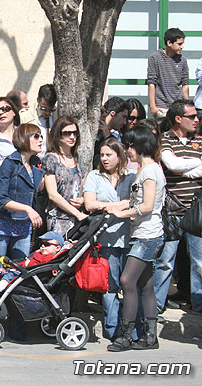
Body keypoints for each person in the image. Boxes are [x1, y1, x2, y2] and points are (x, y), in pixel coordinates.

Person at [106, 126, 165, 352]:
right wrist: (116, 206)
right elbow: (135, 201)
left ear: (140, 146)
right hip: (141, 233)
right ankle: (150, 337)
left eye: (130, 146)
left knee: (127, 281)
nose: (127, 150)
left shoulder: (150, 171)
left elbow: (147, 206)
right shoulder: (144, 169)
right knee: (145, 285)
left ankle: (126, 335)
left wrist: (122, 213)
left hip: (148, 236)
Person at [0, 124, 45, 291]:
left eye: (41, 136)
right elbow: (1, 198)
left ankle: (9, 305)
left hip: (23, 223)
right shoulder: (10, 162)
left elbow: (37, 191)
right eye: (36, 136)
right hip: (4, 219)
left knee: (19, 265)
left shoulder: (37, 164)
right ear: (23, 138)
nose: (41, 140)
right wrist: (28, 209)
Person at [84, 138, 136, 340]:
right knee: (110, 285)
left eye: (109, 155)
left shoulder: (131, 177)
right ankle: (112, 327)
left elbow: (137, 201)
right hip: (106, 239)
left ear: (119, 156)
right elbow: (89, 203)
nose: (105, 159)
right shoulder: (95, 176)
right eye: (102, 155)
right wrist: (114, 205)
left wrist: (122, 204)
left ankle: (132, 328)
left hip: (130, 237)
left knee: (130, 285)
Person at [155, 100, 202, 314]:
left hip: (197, 211)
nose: (196, 120)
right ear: (178, 119)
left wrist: (182, 168)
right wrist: (193, 166)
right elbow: (171, 165)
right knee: (165, 262)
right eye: (191, 116)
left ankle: (198, 306)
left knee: (199, 263)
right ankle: (156, 306)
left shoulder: (200, 140)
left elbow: (177, 166)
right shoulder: (164, 140)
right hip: (171, 210)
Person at [0, 232, 65, 301]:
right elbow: (24, 262)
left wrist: (27, 264)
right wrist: (13, 265)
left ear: (57, 248)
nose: (42, 246)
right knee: (4, 271)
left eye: (47, 244)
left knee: (12, 274)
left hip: (32, 277)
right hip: (25, 272)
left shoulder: (50, 259)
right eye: (41, 244)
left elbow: (38, 267)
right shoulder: (38, 254)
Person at [42, 116, 87, 236]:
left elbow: (84, 187)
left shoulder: (78, 159)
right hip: (59, 218)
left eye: (75, 133)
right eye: (67, 133)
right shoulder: (51, 159)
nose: (72, 137)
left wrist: (83, 200)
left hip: (78, 219)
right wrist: (77, 214)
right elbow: (52, 194)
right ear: (58, 134)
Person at [147, 27, 189, 117]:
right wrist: (153, 107)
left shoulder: (183, 61)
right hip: (161, 107)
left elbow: (185, 84)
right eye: (179, 44)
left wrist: (187, 107)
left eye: (182, 44)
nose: (182, 47)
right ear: (169, 43)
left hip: (178, 107)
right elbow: (151, 83)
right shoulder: (155, 58)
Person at [93, 97, 129, 168]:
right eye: (123, 116)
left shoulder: (116, 136)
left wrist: (108, 136)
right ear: (113, 114)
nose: (125, 122)